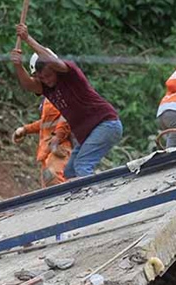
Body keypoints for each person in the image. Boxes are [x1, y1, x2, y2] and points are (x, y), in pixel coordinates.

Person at [10, 25, 122, 179]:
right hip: (89, 133)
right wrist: (18, 65)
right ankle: (86, 193)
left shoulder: (70, 73)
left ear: (54, 69)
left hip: (105, 124)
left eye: (49, 75)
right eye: (42, 78)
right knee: (70, 172)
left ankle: (95, 193)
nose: (47, 81)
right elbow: (28, 85)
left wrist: (27, 39)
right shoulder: (47, 88)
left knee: (82, 166)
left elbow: (53, 62)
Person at [13, 94, 72, 187]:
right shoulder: (49, 98)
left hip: (59, 148)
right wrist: (26, 129)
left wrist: (56, 140)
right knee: (49, 185)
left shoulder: (62, 94)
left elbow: (68, 118)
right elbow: (47, 123)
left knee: (55, 182)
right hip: (49, 150)